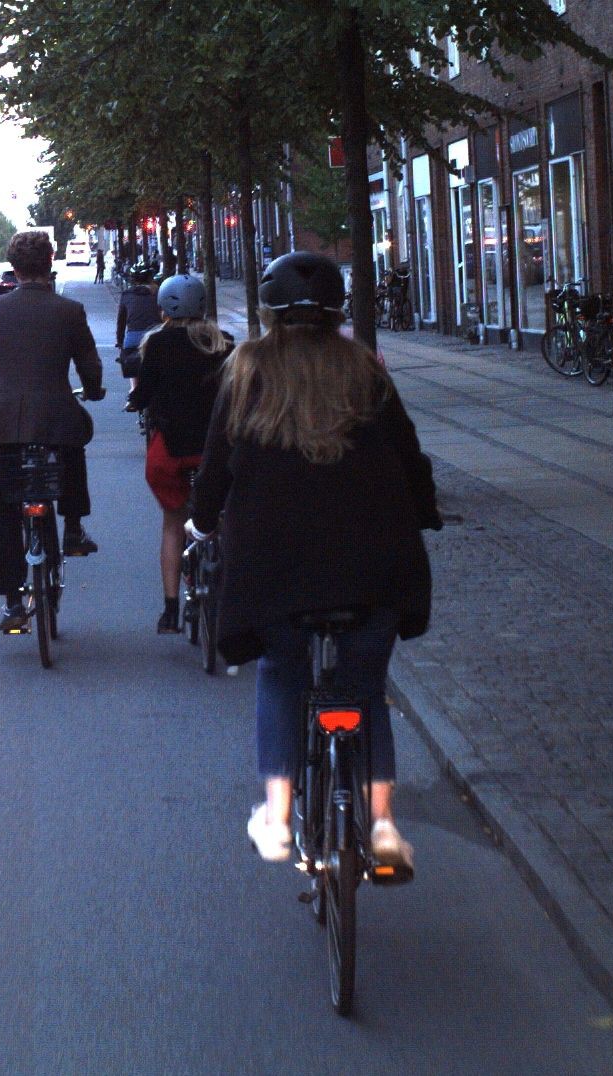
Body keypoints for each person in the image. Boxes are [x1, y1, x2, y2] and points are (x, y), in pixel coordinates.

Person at [188, 250, 441, 876]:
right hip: (373, 564)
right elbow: (408, 455)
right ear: (336, 311)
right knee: (365, 689)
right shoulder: (365, 370)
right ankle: (383, 827)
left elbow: (216, 463)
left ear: (271, 312)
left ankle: (277, 818)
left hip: (275, 568)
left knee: (281, 674)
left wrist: (203, 517)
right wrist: (424, 511)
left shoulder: (246, 370)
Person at [0, 229, 106, 633]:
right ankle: (73, 527)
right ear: (49, 262)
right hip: (56, 415)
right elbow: (89, 363)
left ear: (14, 267)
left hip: (4, 423)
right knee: (73, 444)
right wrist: (93, 390)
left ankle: (12, 601)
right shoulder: (69, 310)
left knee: (5, 510)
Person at [127, 274, 230, 634]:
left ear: (164, 309)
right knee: (223, 518)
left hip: (170, 454)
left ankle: (171, 610)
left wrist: (135, 400)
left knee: (173, 524)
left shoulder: (157, 344)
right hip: (216, 453)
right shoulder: (224, 344)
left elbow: (144, 392)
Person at [113, 262, 162, 383]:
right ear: (151, 277)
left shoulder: (126, 295)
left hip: (133, 340)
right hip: (155, 338)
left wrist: (120, 343)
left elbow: (121, 323)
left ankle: (133, 392)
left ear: (133, 279)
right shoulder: (158, 293)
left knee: (135, 381)